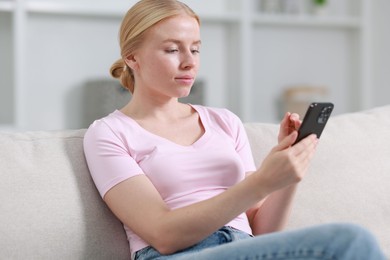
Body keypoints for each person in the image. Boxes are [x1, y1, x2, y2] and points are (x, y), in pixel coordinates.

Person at [83, 0, 386, 259]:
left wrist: (288, 174)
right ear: (132, 57)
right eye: (173, 49)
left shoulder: (224, 122)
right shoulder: (109, 133)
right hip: (180, 254)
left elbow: (263, 231)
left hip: (245, 248)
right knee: (350, 241)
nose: (190, 63)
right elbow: (163, 234)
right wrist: (261, 183)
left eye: (196, 49)